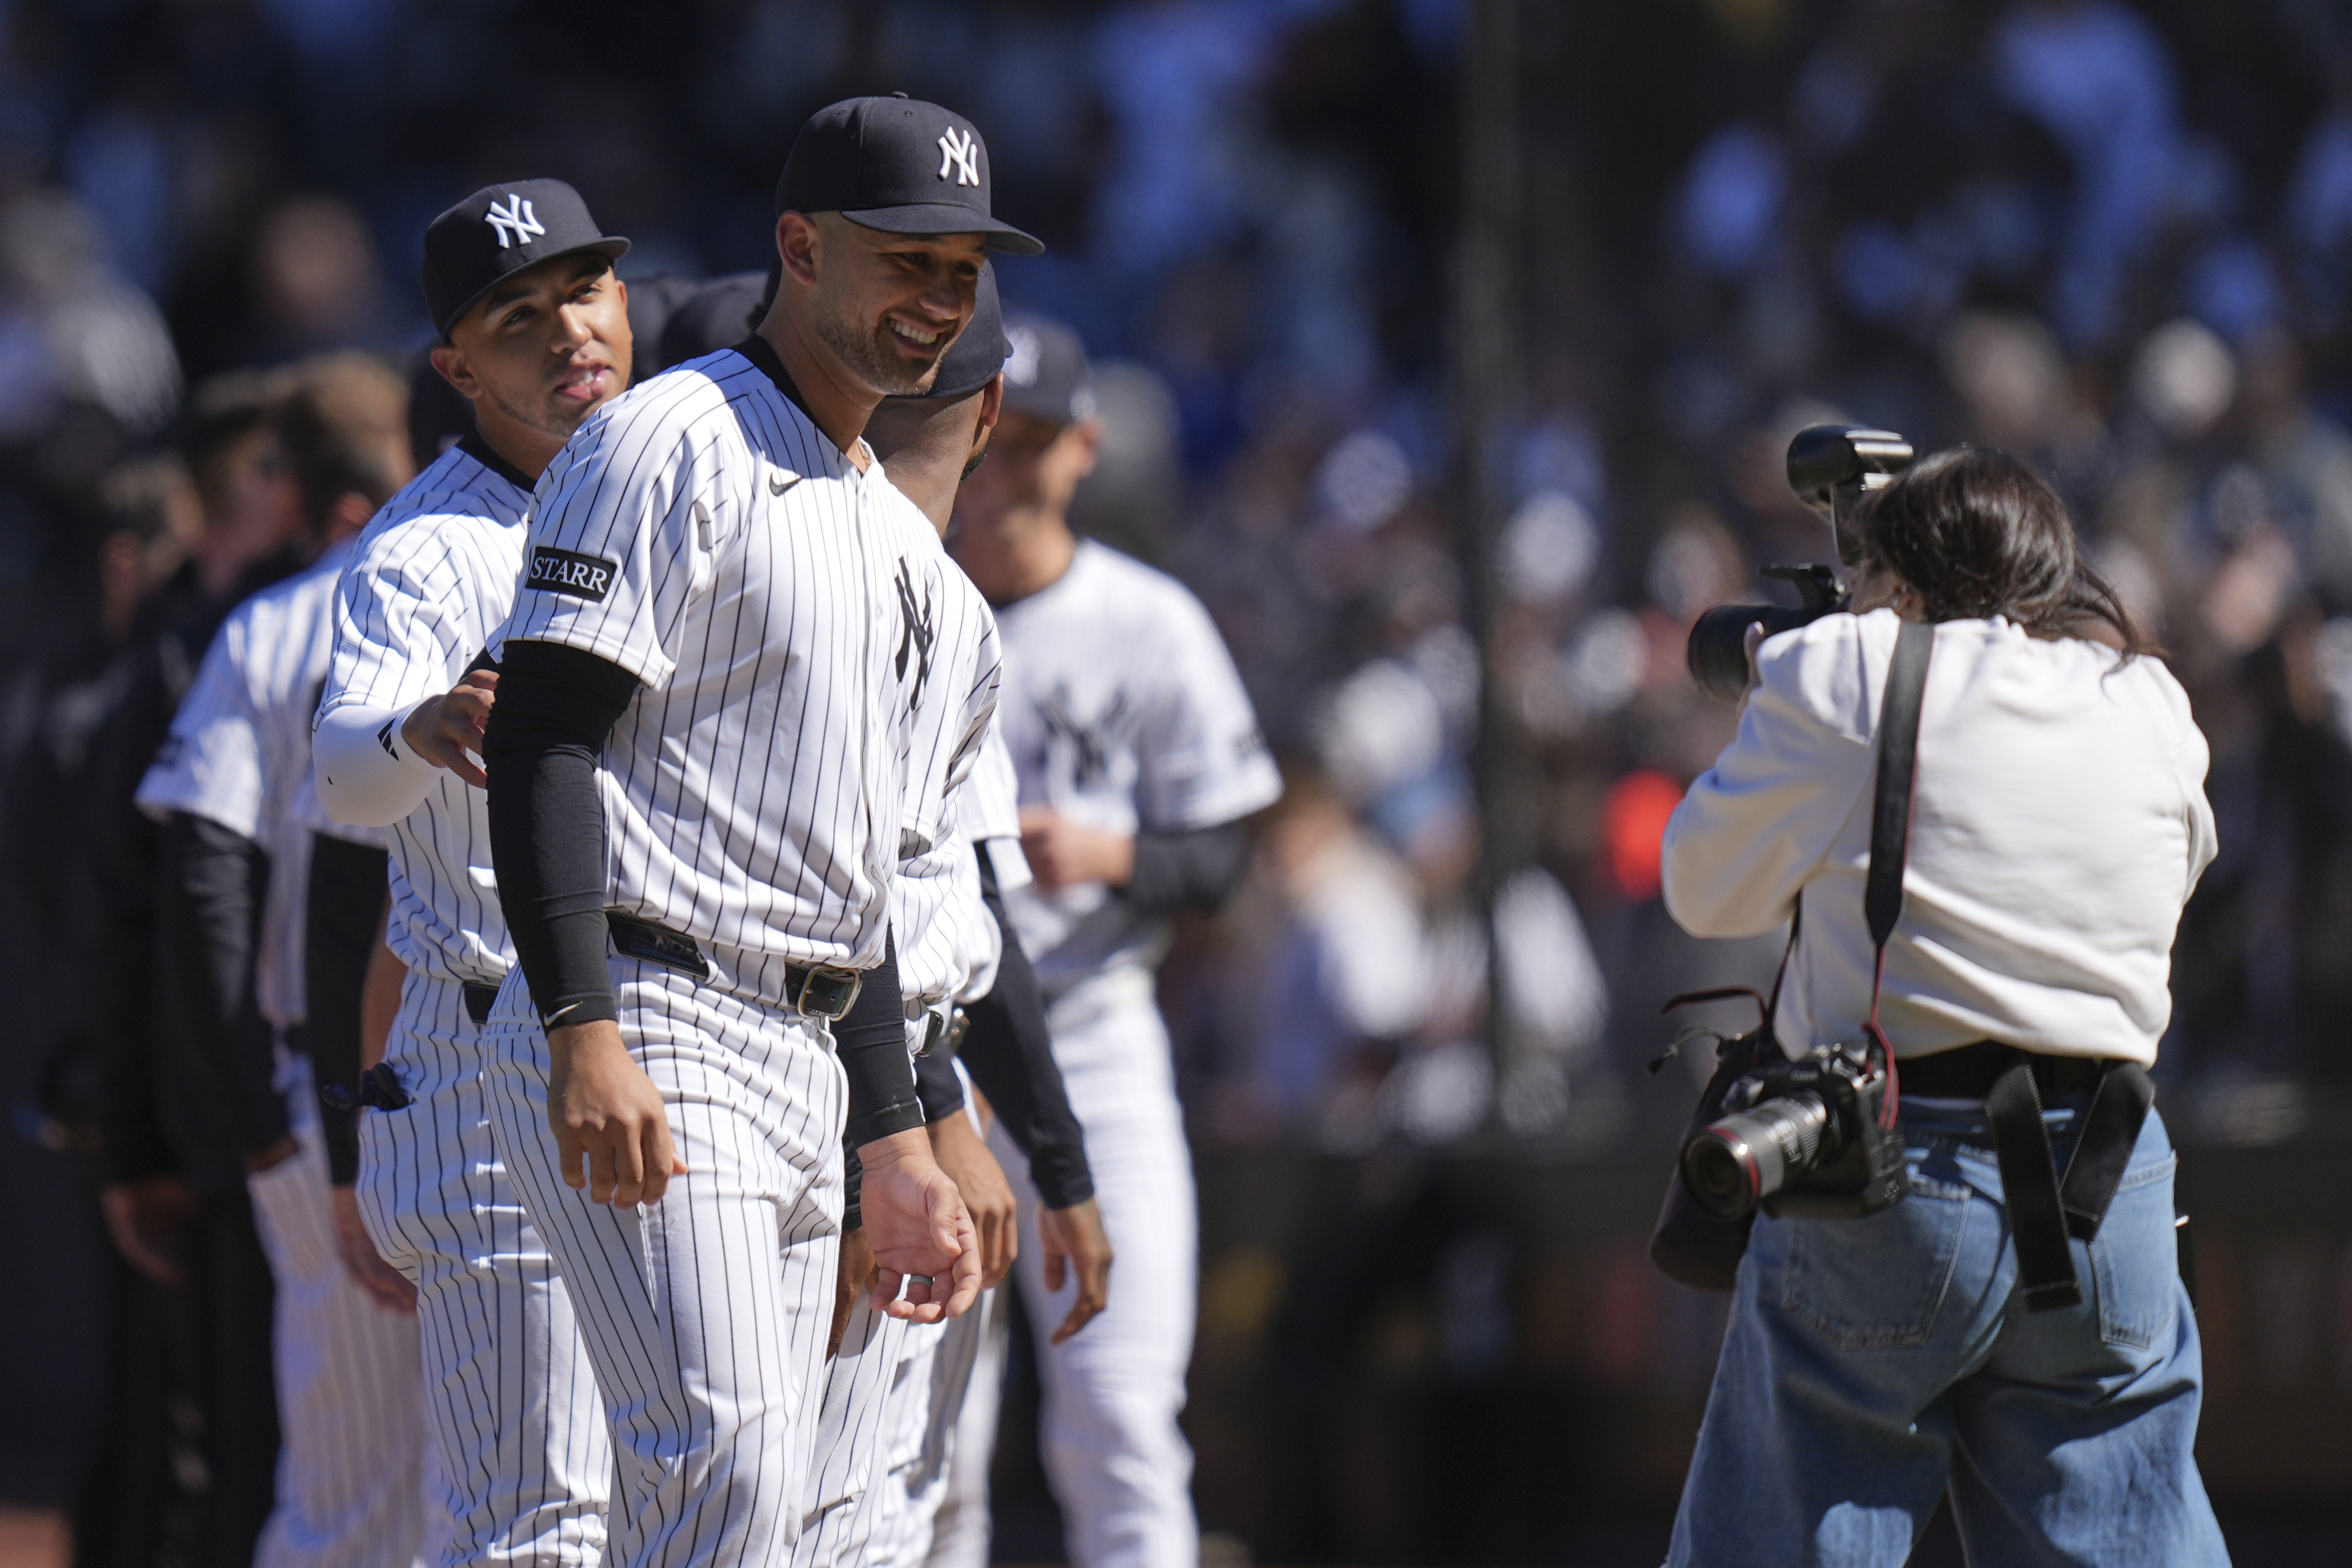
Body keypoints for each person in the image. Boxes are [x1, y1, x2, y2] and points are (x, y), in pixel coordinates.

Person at [474, 95, 1031, 1568]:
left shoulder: (891, 542)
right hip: (657, 1011)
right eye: (906, 258)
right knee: (718, 1474)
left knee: (770, 1516)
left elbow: (862, 896)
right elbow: (541, 737)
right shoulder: (670, 438)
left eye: (962, 274)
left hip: (810, 1039)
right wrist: (583, 1021)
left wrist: (900, 1131)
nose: (936, 300)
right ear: (798, 244)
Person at [1658, 446, 2228, 1566]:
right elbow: (2182, 868)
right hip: (2110, 1180)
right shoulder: (2146, 696)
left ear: (1903, 586)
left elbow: (1698, 881)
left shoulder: (1849, 672)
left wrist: (1807, 682)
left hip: (1893, 1177)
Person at [311, 178, 635, 1568]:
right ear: (459, 366)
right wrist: (422, 723)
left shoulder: (676, 485)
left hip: (666, 1035)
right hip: (489, 1044)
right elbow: (339, 772)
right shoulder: (426, 547)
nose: (568, 328)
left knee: (695, 1498)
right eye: (519, 314)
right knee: (536, 1524)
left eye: (585, 289)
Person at [947, 310, 1282, 1568]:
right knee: (919, 1444)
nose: (1008, 468)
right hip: (929, 1063)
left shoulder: (1148, 621)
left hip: (1092, 1031)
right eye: (991, 437)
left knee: (1120, 1417)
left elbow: (1229, 849)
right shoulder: (902, 601)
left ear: (1083, 448)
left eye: (1035, 440)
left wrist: (1112, 853)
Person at [795, 264, 1114, 1568]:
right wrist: (927, 1118)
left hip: (819, 1067)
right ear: (987, 412)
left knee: (858, 1509)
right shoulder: (887, 588)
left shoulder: (909, 587)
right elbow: (859, 903)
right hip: (835, 1079)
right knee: (833, 1513)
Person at [136, 354, 435, 1568]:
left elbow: (203, 883)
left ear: (299, 485)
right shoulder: (477, 590)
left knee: (349, 1495)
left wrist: (260, 1119)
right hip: (482, 1088)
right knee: (486, 1491)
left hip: (321, 1101)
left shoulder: (267, 628)